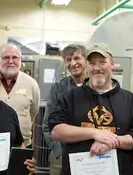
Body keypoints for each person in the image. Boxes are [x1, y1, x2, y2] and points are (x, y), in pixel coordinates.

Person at [48, 44, 133, 175]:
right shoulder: (70, 98)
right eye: (92, 63)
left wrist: (112, 142)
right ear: (87, 66)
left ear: (112, 64)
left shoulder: (129, 100)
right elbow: (56, 130)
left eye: (102, 62)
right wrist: (94, 133)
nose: (97, 68)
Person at [41, 44, 87, 175]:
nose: (73, 63)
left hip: (90, 154)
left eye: (77, 58)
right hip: (61, 156)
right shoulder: (58, 89)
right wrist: (59, 152)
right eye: (68, 60)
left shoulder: (94, 86)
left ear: (85, 60)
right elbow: (47, 125)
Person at [0, 43, 41, 148]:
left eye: (15, 57)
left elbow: (34, 112)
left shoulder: (31, 84)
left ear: (20, 60)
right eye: (6, 57)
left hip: (23, 145)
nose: (11, 61)